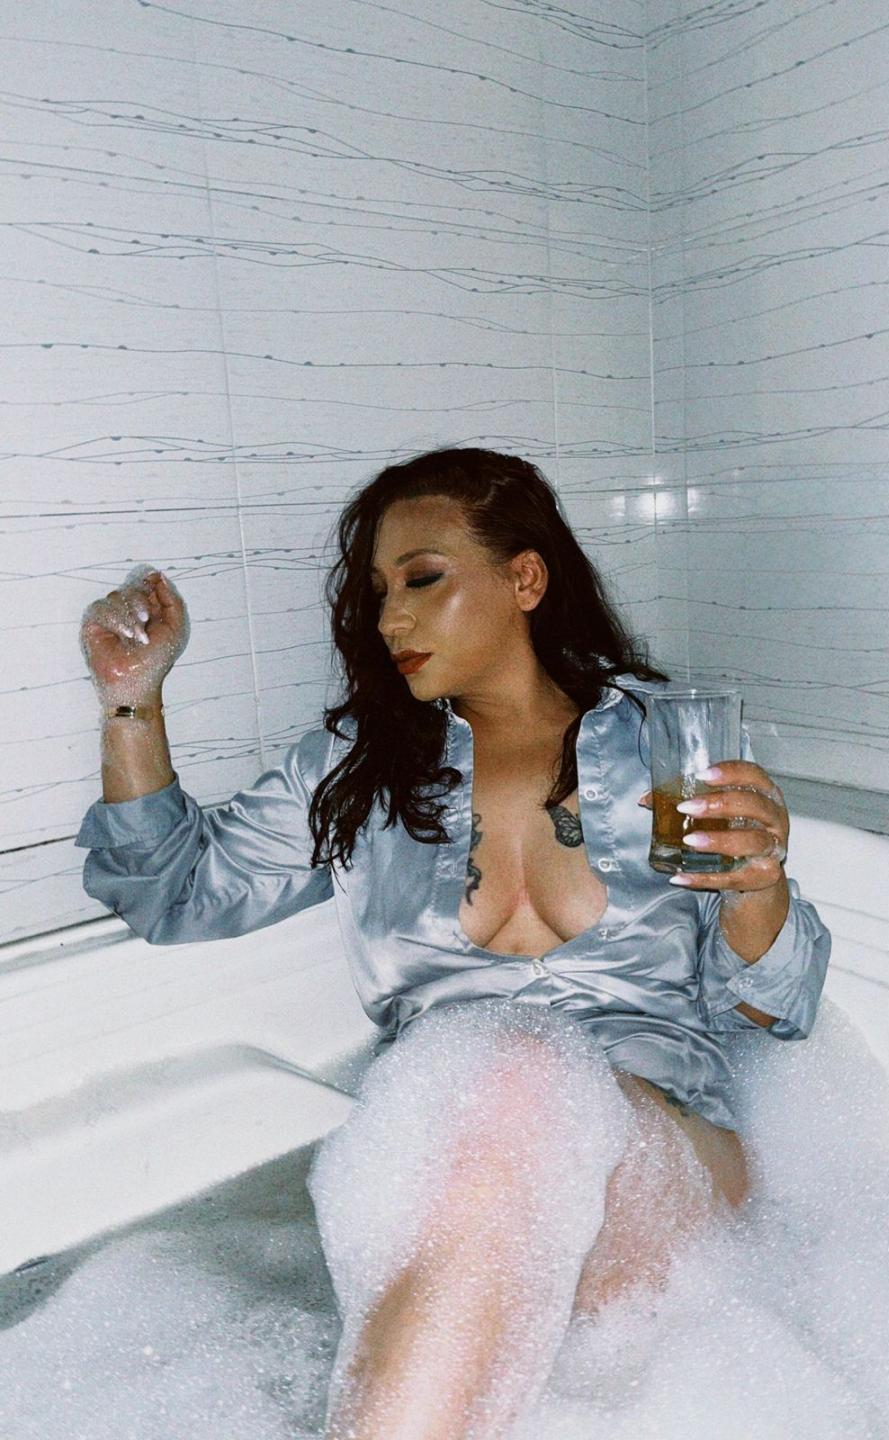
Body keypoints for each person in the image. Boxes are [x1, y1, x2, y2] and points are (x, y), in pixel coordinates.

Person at [76, 447, 830, 1439]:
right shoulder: (357, 768)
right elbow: (172, 892)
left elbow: (773, 1011)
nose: (390, 619)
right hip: (457, 1165)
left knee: (517, 1072)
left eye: (422, 579)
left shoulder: (667, 743)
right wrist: (130, 698)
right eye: (377, 593)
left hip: (666, 1171)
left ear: (525, 579)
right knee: (504, 1080)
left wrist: (757, 884)